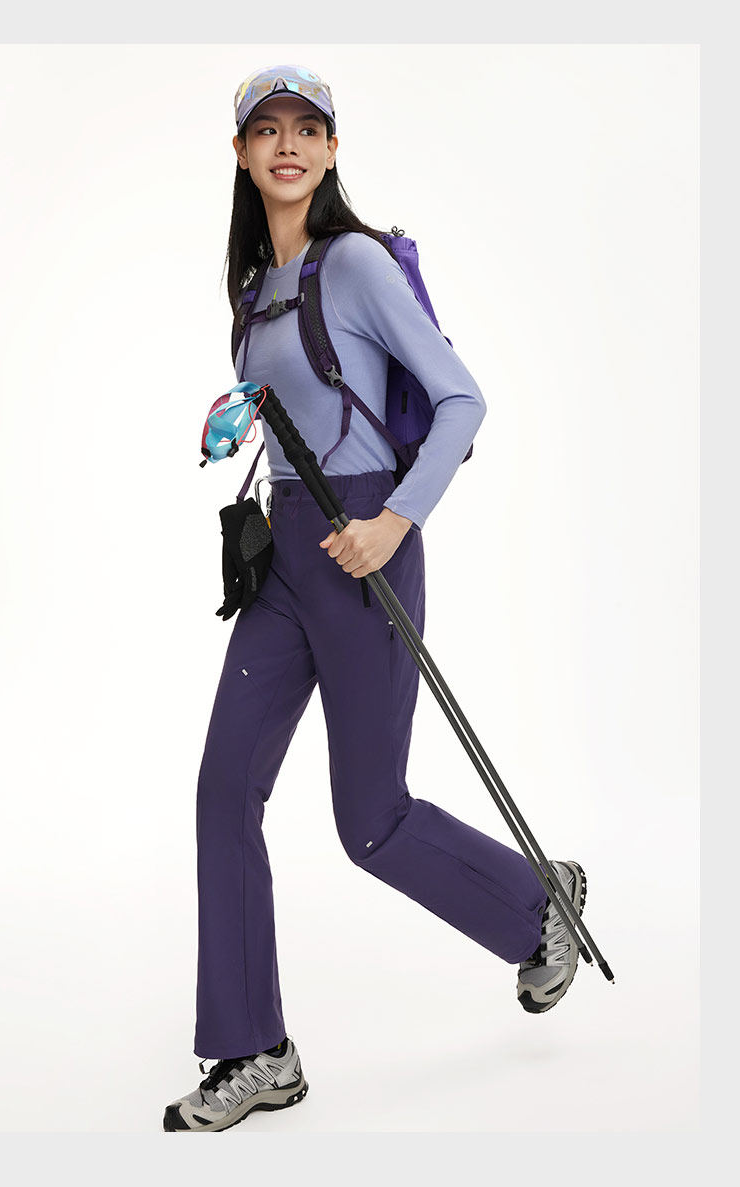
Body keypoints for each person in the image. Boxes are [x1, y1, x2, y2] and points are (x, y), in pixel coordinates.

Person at [163, 63, 588, 1134]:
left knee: (371, 821)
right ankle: (255, 1049)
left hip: (366, 548)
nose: (288, 145)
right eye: (267, 130)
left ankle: (538, 904)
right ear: (241, 154)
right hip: (287, 559)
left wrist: (394, 521)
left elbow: (460, 399)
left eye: (307, 128)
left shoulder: (353, 262)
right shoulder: (253, 290)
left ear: (332, 148)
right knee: (223, 792)